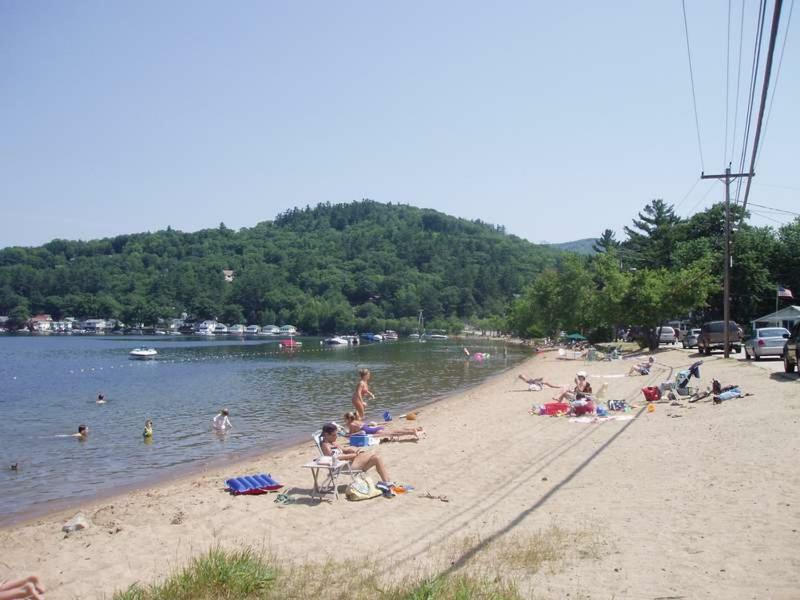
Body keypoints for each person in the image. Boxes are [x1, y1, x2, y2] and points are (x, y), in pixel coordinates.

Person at [320, 422, 392, 484]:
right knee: (372, 454)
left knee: (377, 458)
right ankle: (387, 482)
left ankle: (387, 482)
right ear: (326, 434)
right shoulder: (326, 445)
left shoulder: (333, 442)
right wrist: (353, 455)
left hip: (349, 463)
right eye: (333, 435)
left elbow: (343, 449)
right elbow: (335, 457)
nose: (336, 437)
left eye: (336, 434)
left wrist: (351, 450)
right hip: (343, 467)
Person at [343, 412, 424, 440]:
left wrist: (345, 434)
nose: (344, 421)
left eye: (345, 419)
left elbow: (351, 435)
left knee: (394, 434)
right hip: (376, 428)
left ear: (348, 419)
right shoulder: (357, 421)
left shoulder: (351, 424)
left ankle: (412, 432)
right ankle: (415, 429)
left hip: (375, 431)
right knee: (395, 431)